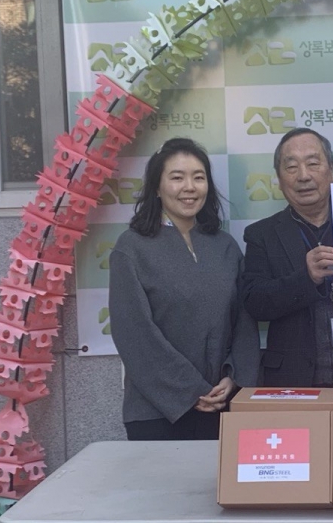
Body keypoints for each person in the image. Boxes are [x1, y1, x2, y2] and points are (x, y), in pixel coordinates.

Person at [109, 137, 259, 441]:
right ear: (156, 187)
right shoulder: (132, 247)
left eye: (198, 178)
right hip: (156, 411)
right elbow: (134, 334)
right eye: (177, 178)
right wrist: (190, 390)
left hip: (222, 403)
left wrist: (234, 377)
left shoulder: (224, 246)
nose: (189, 187)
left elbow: (244, 321)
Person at [241, 128, 333, 387]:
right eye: (291, 167)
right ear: (279, 179)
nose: (303, 176)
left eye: (313, 163)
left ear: (331, 170)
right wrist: (306, 279)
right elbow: (255, 303)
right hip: (295, 381)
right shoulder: (261, 235)